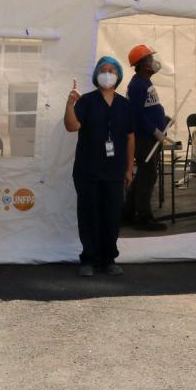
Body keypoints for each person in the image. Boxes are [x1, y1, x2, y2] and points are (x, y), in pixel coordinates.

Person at [64, 57, 135, 276]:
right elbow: (71, 126)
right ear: (96, 75)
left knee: (112, 215)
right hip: (88, 170)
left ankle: (109, 259)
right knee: (89, 214)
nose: (107, 73)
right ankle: (88, 259)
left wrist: (128, 168)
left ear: (119, 76)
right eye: (103, 70)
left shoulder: (125, 104)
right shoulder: (85, 101)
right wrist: (70, 104)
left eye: (112, 70)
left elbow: (130, 137)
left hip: (114, 171)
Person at [123, 44, 168, 231]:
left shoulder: (145, 82)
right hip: (144, 139)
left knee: (143, 175)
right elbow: (137, 115)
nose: (153, 62)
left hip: (150, 137)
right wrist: (154, 130)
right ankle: (143, 217)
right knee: (148, 176)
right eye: (149, 59)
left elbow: (149, 108)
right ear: (141, 64)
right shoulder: (137, 85)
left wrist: (162, 119)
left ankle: (127, 214)